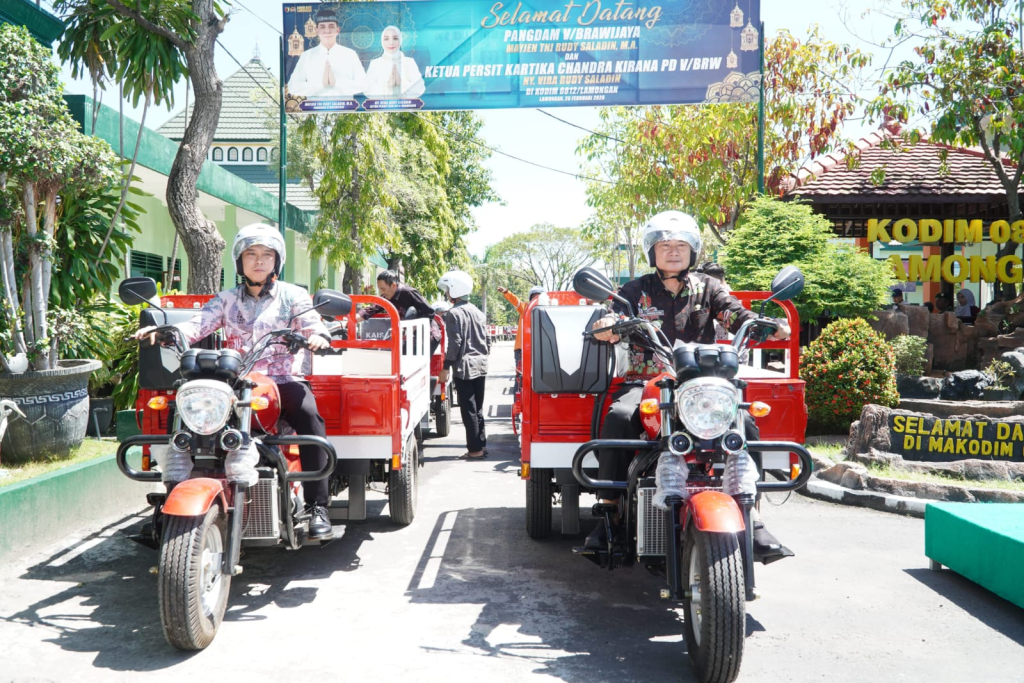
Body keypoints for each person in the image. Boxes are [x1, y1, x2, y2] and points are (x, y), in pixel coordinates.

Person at [588, 210, 793, 562]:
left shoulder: (710, 287)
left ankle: (753, 513)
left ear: (692, 251)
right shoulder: (634, 290)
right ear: (652, 251)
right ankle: (609, 508)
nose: (672, 251)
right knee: (620, 416)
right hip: (648, 379)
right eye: (665, 245)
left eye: (680, 245)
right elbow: (613, 315)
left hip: (703, 384)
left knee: (745, 425)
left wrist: (766, 323)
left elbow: (734, 312)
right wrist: (607, 323)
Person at [134, 224, 335, 540]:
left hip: (282, 381)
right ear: (240, 261)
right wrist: (162, 332)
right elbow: (198, 324)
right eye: (251, 254)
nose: (258, 261)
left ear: (276, 262)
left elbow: (312, 323)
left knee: (310, 415)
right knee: (187, 417)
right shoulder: (226, 299)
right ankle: (169, 507)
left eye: (266, 255)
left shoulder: (293, 296)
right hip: (236, 382)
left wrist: (319, 337)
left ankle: (317, 507)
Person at [437, 270, 489, 460]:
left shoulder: (453, 314)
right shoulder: (477, 311)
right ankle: (481, 446)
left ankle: (474, 450)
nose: (446, 293)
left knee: (468, 410)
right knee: (478, 409)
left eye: (448, 289)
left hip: (465, 367)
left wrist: (445, 366)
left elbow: (455, 343)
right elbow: (486, 340)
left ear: (454, 289)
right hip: (481, 364)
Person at [286, 8, 367, 98]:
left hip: (345, 109)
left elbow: (363, 84)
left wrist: (337, 83)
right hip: (315, 110)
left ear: (337, 30)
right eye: (322, 27)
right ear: (317, 30)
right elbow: (293, 86)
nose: (327, 31)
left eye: (331, 26)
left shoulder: (350, 54)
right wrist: (320, 84)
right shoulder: (307, 55)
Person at [359, 270, 442, 354]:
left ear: (393, 285)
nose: (382, 292)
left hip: (428, 335)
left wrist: (411, 327)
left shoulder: (409, 293)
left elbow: (430, 312)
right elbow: (371, 310)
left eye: (383, 289)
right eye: (380, 289)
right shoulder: (386, 297)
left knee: (414, 364)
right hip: (411, 336)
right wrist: (351, 320)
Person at [498, 285, 544, 392]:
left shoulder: (547, 311)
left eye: (539, 297)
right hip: (522, 350)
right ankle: (518, 398)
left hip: (540, 350)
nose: (536, 300)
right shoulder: (525, 308)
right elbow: (516, 301)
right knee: (521, 376)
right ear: (530, 299)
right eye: (534, 297)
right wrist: (507, 292)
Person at [364, 26, 425, 100]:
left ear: (400, 40)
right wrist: (388, 85)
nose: (391, 42)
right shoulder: (375, 64)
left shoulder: (409, 62)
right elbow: (367, 90)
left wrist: (401, 84)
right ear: (382, 41)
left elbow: (420, 88)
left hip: (406, 108)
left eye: (395, 38)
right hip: (381, 109)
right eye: (386, 39)